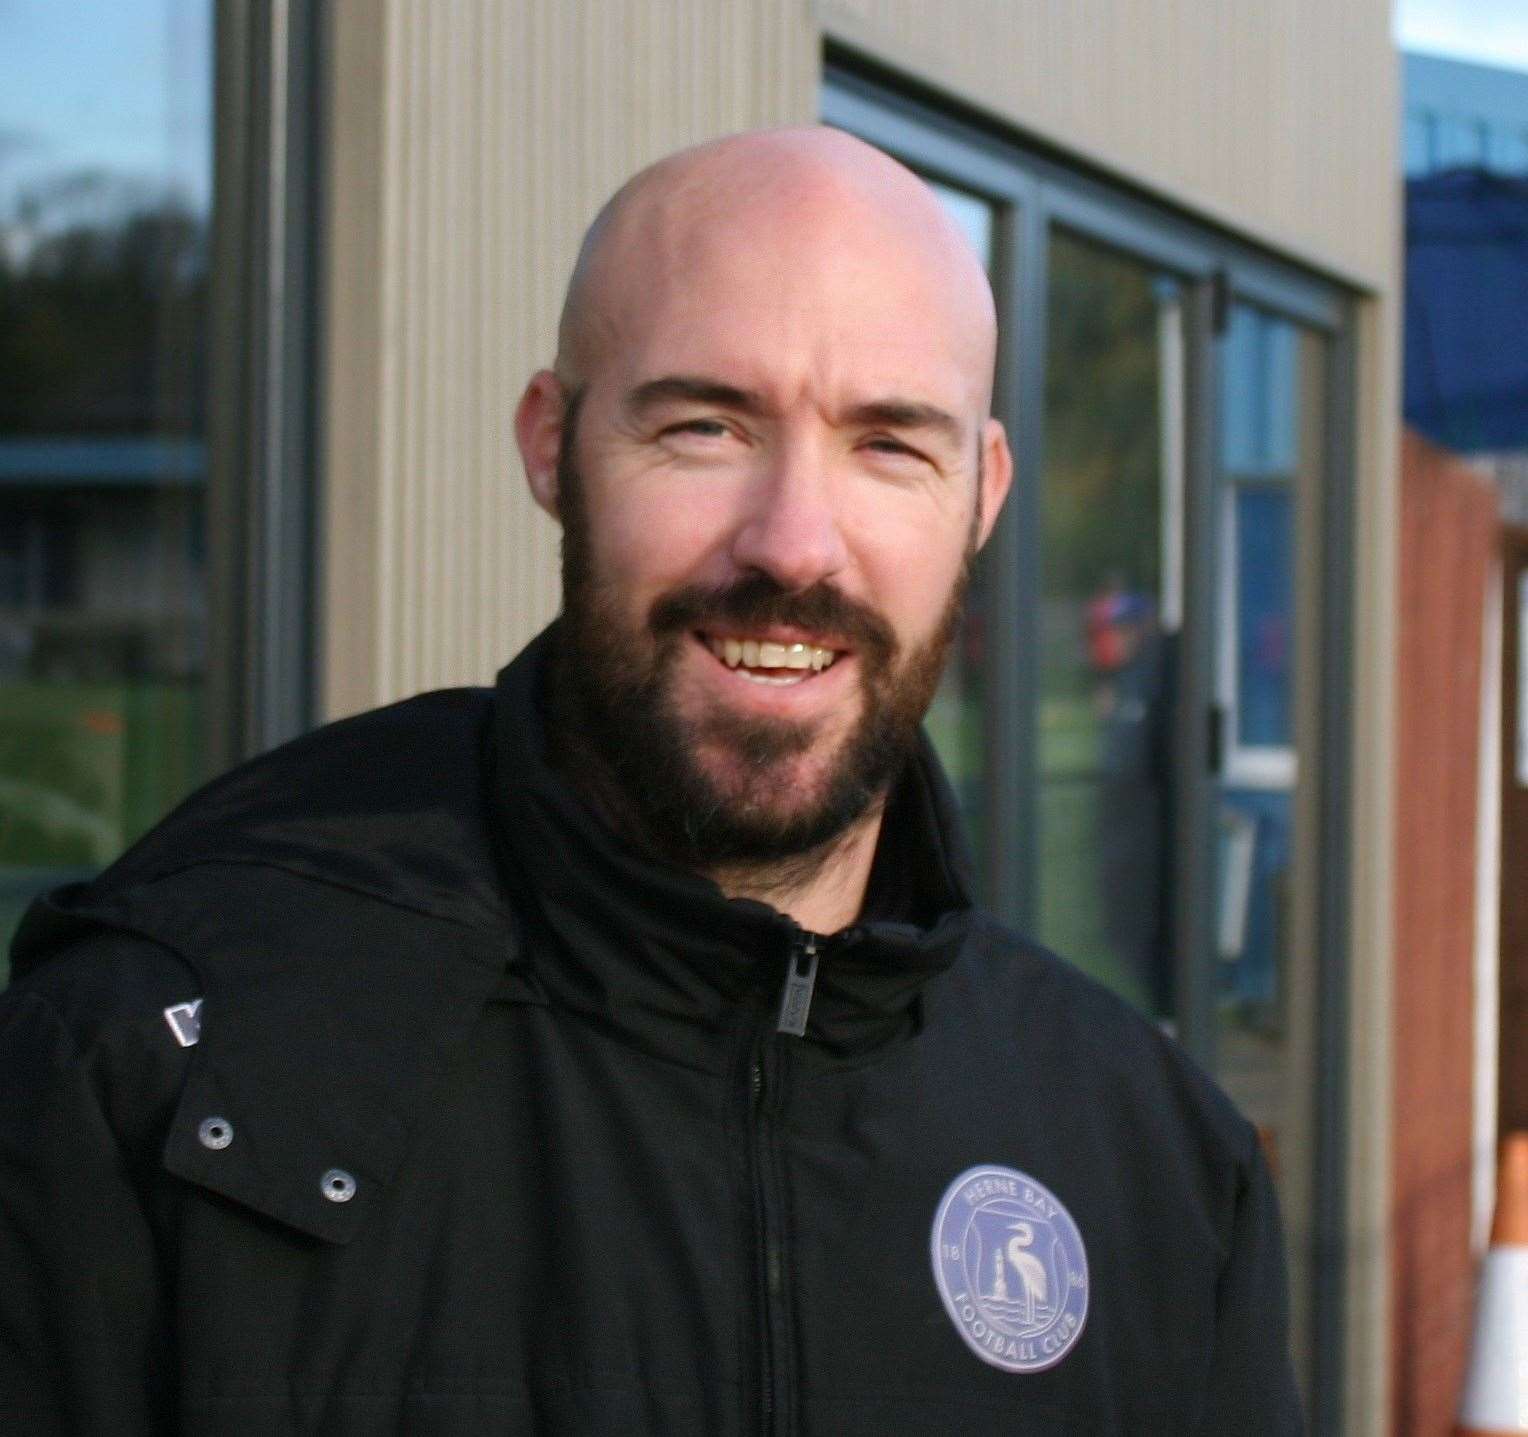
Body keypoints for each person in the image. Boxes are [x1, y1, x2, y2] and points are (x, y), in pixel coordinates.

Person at [0, 128, 1303, 1433]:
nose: (794, 540)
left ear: (982, 495)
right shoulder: (155, 1067)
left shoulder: (1157, 1167)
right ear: (552, 448)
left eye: (890, 444)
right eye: (704, 425)